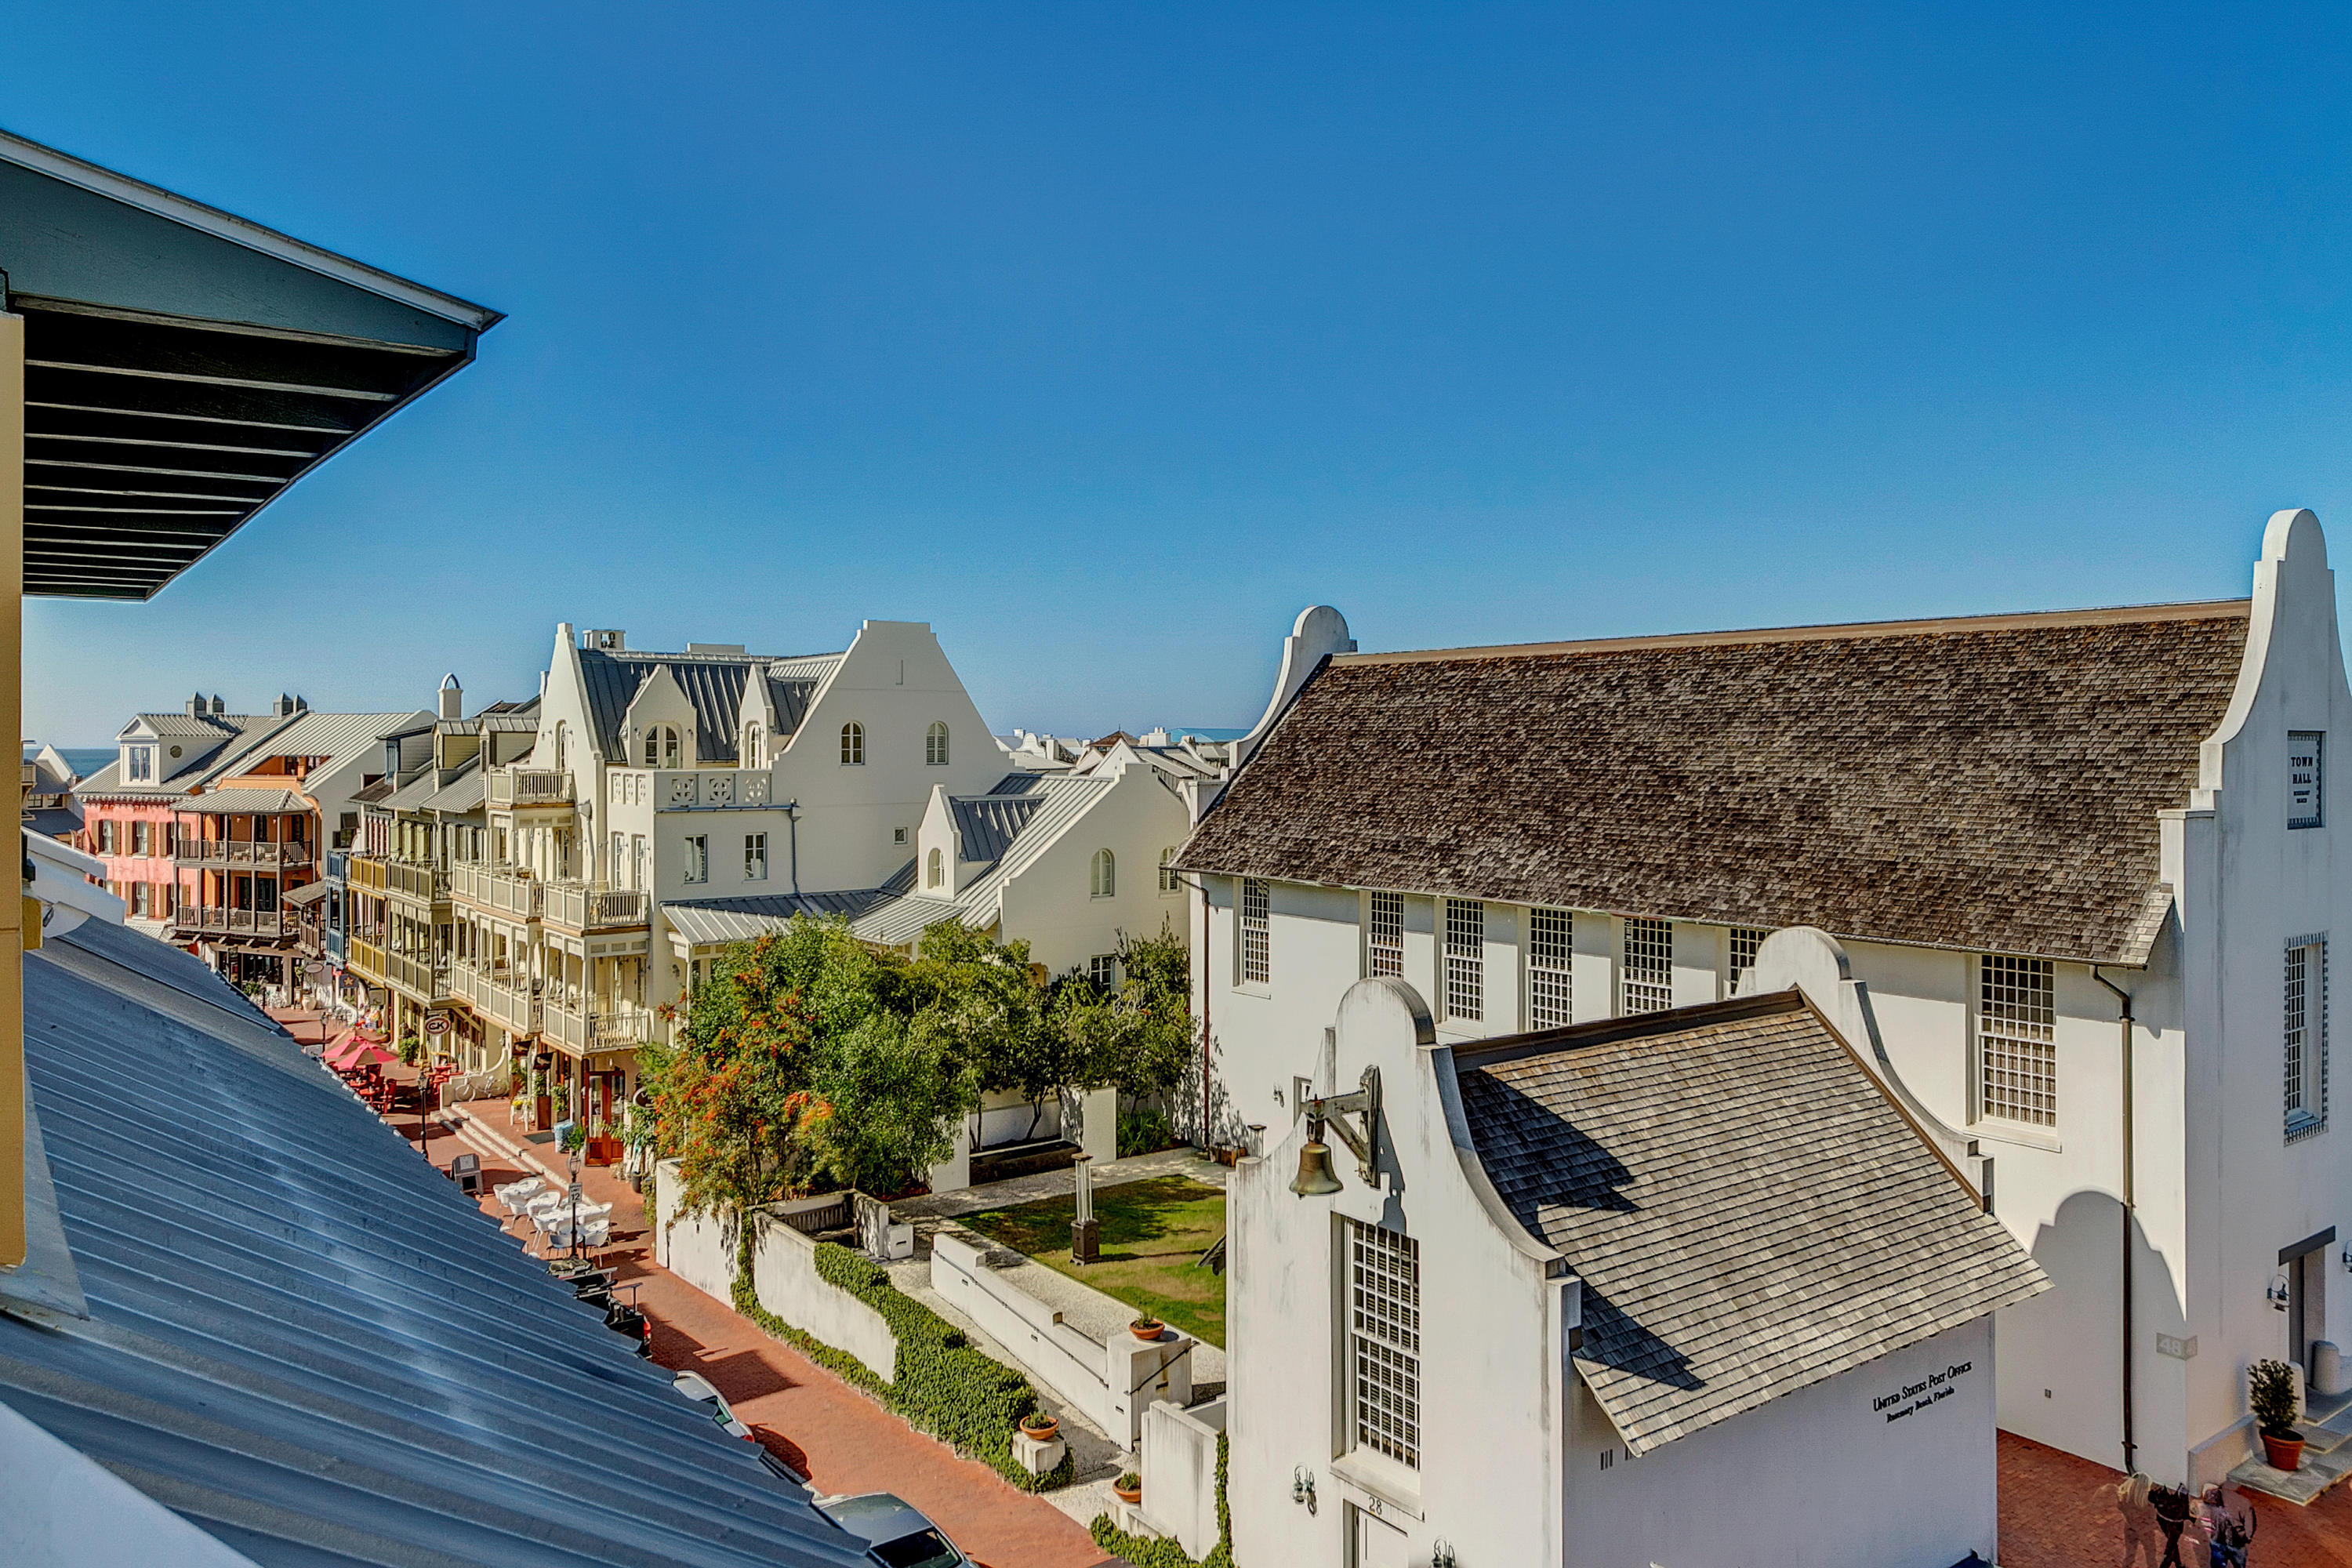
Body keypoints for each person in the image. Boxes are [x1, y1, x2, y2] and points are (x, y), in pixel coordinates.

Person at [2116, 1472, 2162, 1567]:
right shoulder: (2147, 1504)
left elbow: (2120, 1507)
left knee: (2129, 1555)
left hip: (2130, 1528)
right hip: (2145, 1532)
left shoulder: (2124, 1497)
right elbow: (2152, 1520)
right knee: (2151, 1557)